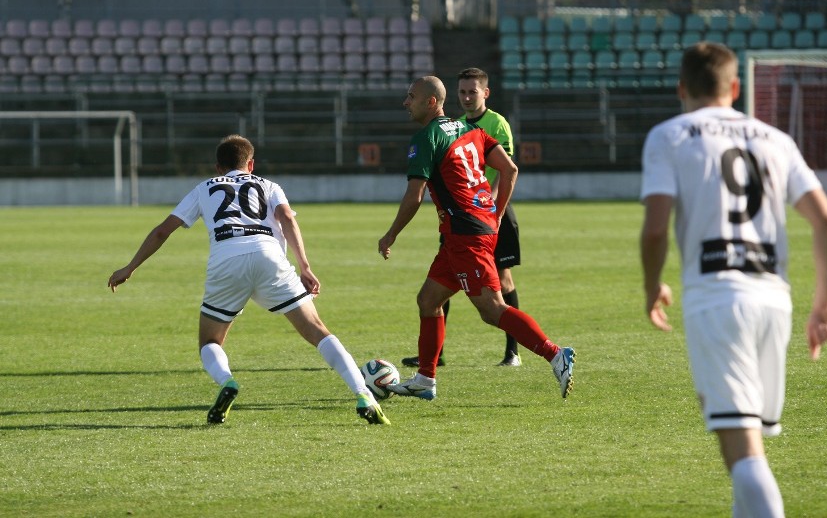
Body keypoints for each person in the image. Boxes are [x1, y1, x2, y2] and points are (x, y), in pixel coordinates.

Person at [640, 42, 827, 517]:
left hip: (717, 300)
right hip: (775, 301)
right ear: (735, 87)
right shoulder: (775, 139)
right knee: (751, 446)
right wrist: (825, 305)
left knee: (743, 454)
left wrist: (652, 286)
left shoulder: (669, 135)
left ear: (681, 88)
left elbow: (654, 227)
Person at [108, 134, 390, 426]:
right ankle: (363, 394)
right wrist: (305, 267)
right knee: (318, 331)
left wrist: (130, 267)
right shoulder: (269, 185)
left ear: (218, 168)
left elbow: (161, 231)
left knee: (209, 341)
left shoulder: (204, 188)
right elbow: (288, 220)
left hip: (226, 261)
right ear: (251, 164)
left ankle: (227, 382)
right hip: (270, 258)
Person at [378, 75, 576, 401]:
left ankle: (556, 354)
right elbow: (510, 170)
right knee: (428, 300)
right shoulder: (472, 130)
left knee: (492, 309)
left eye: (410, 97)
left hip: (466, 235)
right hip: (467, 230)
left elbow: (414, 196)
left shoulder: (426, 138)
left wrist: (391, 235)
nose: (405, 102)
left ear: (431, 102)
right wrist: (495, 214)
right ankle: (426, 379)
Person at [401, 67, 524, 368]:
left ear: (485, 93)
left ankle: (513, 351)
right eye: (462, 92)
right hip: (463, 212)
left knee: (502, 282)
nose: (467, 97)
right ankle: (435, 356)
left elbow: (507, 168)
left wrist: (493, 205)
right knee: (442, 281)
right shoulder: (455, 126)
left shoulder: (496, 123)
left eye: (472, 91)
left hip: (492, 210)